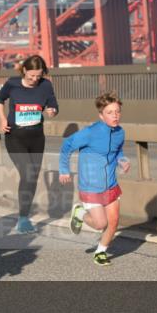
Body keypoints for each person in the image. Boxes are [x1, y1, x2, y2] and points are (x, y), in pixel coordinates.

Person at [59, 92, 129, 266]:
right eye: (110, 112)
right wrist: (64, 170)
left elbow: (118, 151)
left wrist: (122, 161)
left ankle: (100, 252)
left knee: (113, 222)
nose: (115, 116)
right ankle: (80, 212)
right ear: (101, 115)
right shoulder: (90, 133)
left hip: (111, 184)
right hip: (90, 186)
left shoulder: (120, 132)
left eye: (117, 111)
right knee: (100, 224)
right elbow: (67, 145)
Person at [0, 55, 59, 234]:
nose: (34, 80)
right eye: (31, 76)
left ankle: (24, 216)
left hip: (37, 137)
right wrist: (2, 119)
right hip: (15, 137)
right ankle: (23, 219)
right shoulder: (12, 83)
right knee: (28, 172)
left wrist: (52, 111)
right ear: (24, 71)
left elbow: (53, 104)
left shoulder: (45, 85)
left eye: (38, 76)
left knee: (32, 177)